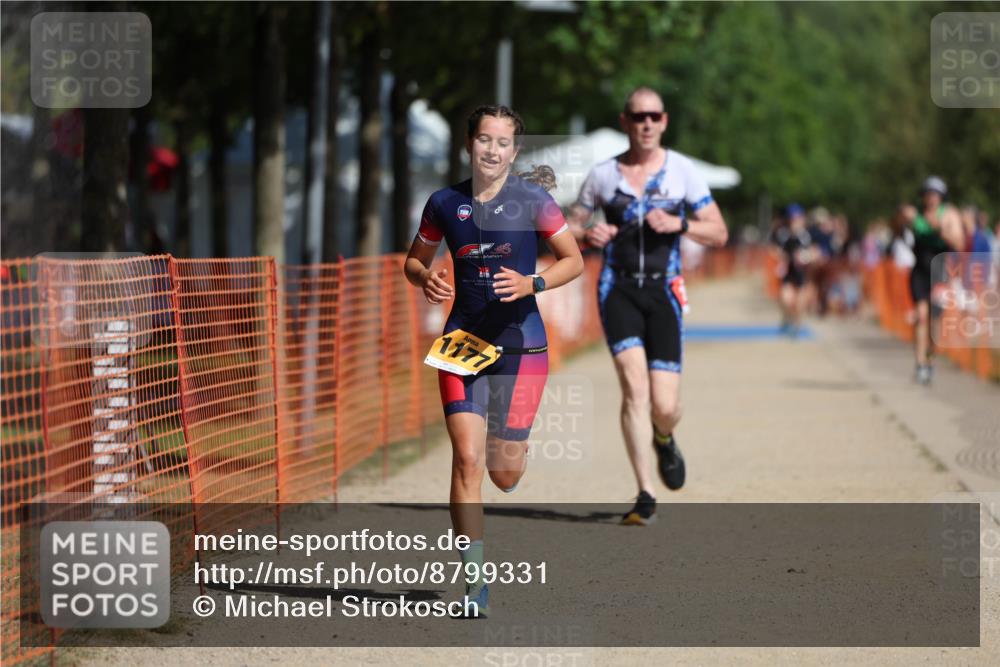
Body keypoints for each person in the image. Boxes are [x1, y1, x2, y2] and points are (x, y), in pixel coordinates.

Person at [403, 105, 584, 615]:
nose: (492, 150)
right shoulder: (444, 203)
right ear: (469, 144)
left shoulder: (534, 200)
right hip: (462, 340)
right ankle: (474, 582)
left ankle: (517, 441)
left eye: (502, 143)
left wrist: (534, 282)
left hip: (522, 344)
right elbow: (413, 262)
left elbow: (573, 259)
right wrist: (426, 277)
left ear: (514, 152)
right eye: (484, 139)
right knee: (466, 459)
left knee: (504, 473)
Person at [565, 87, 728, 526]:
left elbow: (719, 232)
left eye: (654, 116)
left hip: (665, 293)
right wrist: (585, 234)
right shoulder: (603, 176)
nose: (647, 124)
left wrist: (681, 223)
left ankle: (665, 436)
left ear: (665, 121)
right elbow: (567, 225)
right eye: (638, 117)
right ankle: (645, 494)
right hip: (618, 289)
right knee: (633, 389)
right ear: (625, 121)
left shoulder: (683, 172)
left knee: (665, 403)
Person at [908, 176, 963, 385]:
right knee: (921, 316)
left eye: (935, 194)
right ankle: (920, 363)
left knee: (934, 322)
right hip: (919, 270)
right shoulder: (916, 214)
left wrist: (940, 228)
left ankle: (930, 361)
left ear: (941, 197)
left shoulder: (949, 215)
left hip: (940, 271)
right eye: (927, 194)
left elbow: (959, 242)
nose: (930, 199)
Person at [772, 203, 817, 335]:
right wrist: (782, 258)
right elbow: (775, 249)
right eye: (792, 218)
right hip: (788, 273)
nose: (794, 221)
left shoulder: (807, 235)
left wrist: (806, 257)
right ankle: (787, 320)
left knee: (800, 304)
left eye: (797, 218)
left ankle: (796, 326)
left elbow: (815, 252)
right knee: (786, 299)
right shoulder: (783, 234)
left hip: (802, 274)